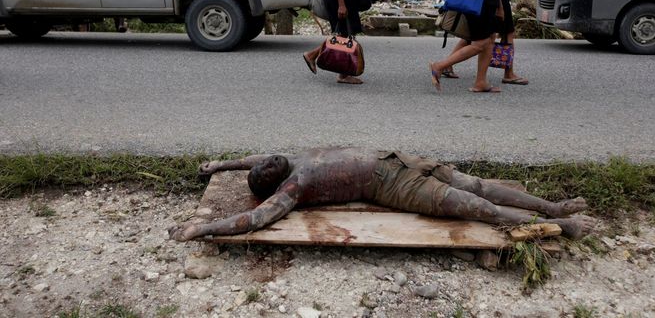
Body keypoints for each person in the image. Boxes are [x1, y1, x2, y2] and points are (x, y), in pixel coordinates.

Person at [168, 147, 596, 242]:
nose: (266, 161)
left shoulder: (290, 160)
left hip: (399, 159)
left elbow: (253, 160)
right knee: (480, 208)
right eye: (264, 170)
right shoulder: (291, 188)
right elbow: (253, 220)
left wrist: (220, 165)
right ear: (271, 184)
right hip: (395, 187)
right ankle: (561, 225)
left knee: (479, 185)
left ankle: (552, 206)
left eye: (264, 161)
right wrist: (201, 228)